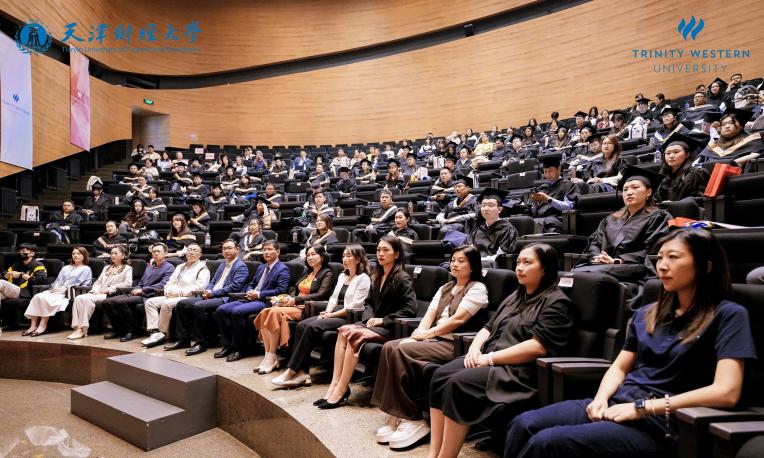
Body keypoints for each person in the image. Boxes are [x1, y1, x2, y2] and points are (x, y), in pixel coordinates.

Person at [505, 229, 756, 458]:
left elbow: (727, 391)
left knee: (548, 443)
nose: (663, 266)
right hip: (620, 402)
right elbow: (620, 367)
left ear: (706, 266)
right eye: (659, 258)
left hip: (665, 420)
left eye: (674, 257)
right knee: (523, 424)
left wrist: (644, 408)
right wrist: (601, 398)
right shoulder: (648, 312)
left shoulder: (728, 314)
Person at [428, 243, 575, 457]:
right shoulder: (515, 296)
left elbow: (538, 346)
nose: (520, 268)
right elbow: (487, 329)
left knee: (458, 384)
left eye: (527, 263)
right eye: (518, 263)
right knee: (439, 376)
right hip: (490, 358)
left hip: (516, 371)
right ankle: (434, 453)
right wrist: (474, 349)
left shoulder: (557, 303)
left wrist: (488, 358)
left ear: (545, 268)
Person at [372, 245, 489, 449]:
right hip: (434, 340)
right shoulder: (445, 287)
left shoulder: (478, 288)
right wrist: (418, 335)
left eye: (461, 260)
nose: (454, 264)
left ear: (472, 266)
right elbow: (430, 314)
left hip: (455, 344)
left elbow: (457, 320)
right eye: (453, 259)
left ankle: (412, 417)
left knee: (402, 349)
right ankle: (394, 412)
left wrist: (427, 334)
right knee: (390, 347)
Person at [317, 236, 418, 409]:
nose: (381, 253)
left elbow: (410, 310)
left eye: (386, 250)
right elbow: (368, 303)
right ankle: (334, 385)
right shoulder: (376, 275)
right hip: (373, 325)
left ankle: (341, 389)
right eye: (379, 250)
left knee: (353, 334)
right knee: (342, 331)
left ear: (396, 254)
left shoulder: (402, 278)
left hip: (391, 328)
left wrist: (382, 320)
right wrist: (370, 317)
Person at [273, 245, 371, 388]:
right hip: (335, 312)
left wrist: (331, 314)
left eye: (349, 256)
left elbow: (355, 306)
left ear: (358, 259)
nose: (344, 259)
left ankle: (291, 370)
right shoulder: (343, 275)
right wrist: (327, 311)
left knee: (312, 326)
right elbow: (333, 298)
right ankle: (303, 372)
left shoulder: (363, 278)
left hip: (351, 316)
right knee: (302, 325)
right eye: (343, 256)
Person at [575, 166, 672, 283]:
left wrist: (618, 260)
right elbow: (595, 243)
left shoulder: (659, 217)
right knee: (571, 275)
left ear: (648, 192)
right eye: (625, 189)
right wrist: (597, 257)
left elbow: (654, 250)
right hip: (602, 266)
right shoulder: (611, 219)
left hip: (635, 267)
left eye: (635, 187)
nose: (629, 192)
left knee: (586, 277)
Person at [254, 244, 335, 374]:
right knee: (265, 312)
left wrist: (296, 300)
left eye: (313, 254)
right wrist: (286, 299)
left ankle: (272, 356)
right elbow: (296, 290)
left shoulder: (327, 273)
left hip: (307, 307)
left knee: (273, 312)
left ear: (322, 256)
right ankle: (269, 356)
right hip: (294, 304)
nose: (310, 257)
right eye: (308, 255)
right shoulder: (307, 272)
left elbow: (322, 294)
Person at [165, 239, 249, 355]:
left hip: (226, 298)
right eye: (224, 249)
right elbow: (213, 281)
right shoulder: (222, 265)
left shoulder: (241, 266)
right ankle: (183, 339)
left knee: (199, 306)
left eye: (229, 248)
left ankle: (201, 342)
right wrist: (208, 290)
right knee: (183, 303)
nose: (226, 251)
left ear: (237, 249)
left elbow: (235, 287)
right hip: (212, 295)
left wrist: (213, 293)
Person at [214, 240, 290, 362]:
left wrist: (259, 294)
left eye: (270, 249)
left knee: (236, 312)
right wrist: (249, 291)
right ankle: (228, 345)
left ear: (278, 251)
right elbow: (252, 283)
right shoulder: (261, 267)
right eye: (264, 250)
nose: (266, 252)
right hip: (250, 298)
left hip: (265, 301)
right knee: (221, 310)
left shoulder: (283, 269)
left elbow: (281, 290)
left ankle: (239, 348)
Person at [101, 242, 175, 341]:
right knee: (106, 302)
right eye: (154, 251)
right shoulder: (150, 267)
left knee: (119, 302)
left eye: (158, 251)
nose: (156, 253)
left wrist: (143, 289)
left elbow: (163, 284)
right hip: (139, 293)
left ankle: (131, 331)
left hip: (150, 295)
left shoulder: (169, 267)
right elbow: (141, 282)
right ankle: (118, 329)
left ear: (165, 253)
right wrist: (138, 288)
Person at [141, 243, 210, 348]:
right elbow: (170, 282)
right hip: (172, 294)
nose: (191, 252)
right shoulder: (180, 266)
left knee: (166, 304)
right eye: (189, 249)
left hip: (188, 297)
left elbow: (199, 288)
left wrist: (177, 293)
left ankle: (163, 333)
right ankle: (154, 331)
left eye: (195, 250)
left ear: (200, 254)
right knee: (150, 302)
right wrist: (167, 290)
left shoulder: (203, 268)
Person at [23, 247, 93, 336]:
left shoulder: (86, 269)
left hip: (69, 293)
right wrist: (55, 288)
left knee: (46, 299)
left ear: (84, 256)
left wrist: (64, 290)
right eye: (73, 253)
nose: (75, 255)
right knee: (38, 296)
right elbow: (57, 281)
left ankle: (42, 325)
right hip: (56, 290)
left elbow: (84, 285)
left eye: (78, 254)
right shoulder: (66, 268)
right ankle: (32, 326)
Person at [68, 246, 133, 340]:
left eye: (115, 253)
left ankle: (82, 329)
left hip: (111, 294)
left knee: (87, 299)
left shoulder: (127, 268)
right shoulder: (106, 267)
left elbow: (128, 284)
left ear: (123, 256)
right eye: (111, 253)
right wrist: (95, 290)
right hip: (98, 292)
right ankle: (76, 328)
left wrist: (109, 289)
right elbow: (98, 282)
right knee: (79, 298)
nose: (113, 255)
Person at [530, 152, 580, 233]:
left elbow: (570, 207)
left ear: (559, 169)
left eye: (550, 171)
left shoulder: (568, 184)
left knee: (548, 222)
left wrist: (549, 200)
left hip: (558, 220)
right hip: (540, 220)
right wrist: (534, 203)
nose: (547, 175)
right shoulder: (543, 187)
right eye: (545, 171)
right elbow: (534, 212)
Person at [696, 108, 762, 168]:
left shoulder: (752, 139)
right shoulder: (714, 144)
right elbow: (698, 161)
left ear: (741, 126)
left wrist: (731, 163)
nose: (727, 126)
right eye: (723, 124)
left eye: (731, 123)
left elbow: (756, 155)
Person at [0, 244, 47, 327]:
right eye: (19, 251)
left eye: (23, 251)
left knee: (2, 283)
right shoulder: (17, 264)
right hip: (13, 290)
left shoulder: (38, 265)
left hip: (26, 292)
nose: (20, 253)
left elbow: (40, 281)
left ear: (32, 253)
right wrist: (7, 275)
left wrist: (21, 275)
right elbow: (3, 275)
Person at [469, 188, 518, 267]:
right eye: (483, 205)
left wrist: (477, 260)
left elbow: (500, 257)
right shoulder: (477, 230)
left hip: (493, 268)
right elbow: (469, 251)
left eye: (491, 205)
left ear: (499, 209)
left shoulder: (507, 229)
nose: (486, 208)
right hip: (475, 265)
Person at [656, 132, 709, 202]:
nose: (671, 156)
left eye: (676, 152)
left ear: (687, 154)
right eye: (668, 153)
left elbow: (702, 199)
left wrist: (677, 205)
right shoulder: (663, 176)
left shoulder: (696, 174)